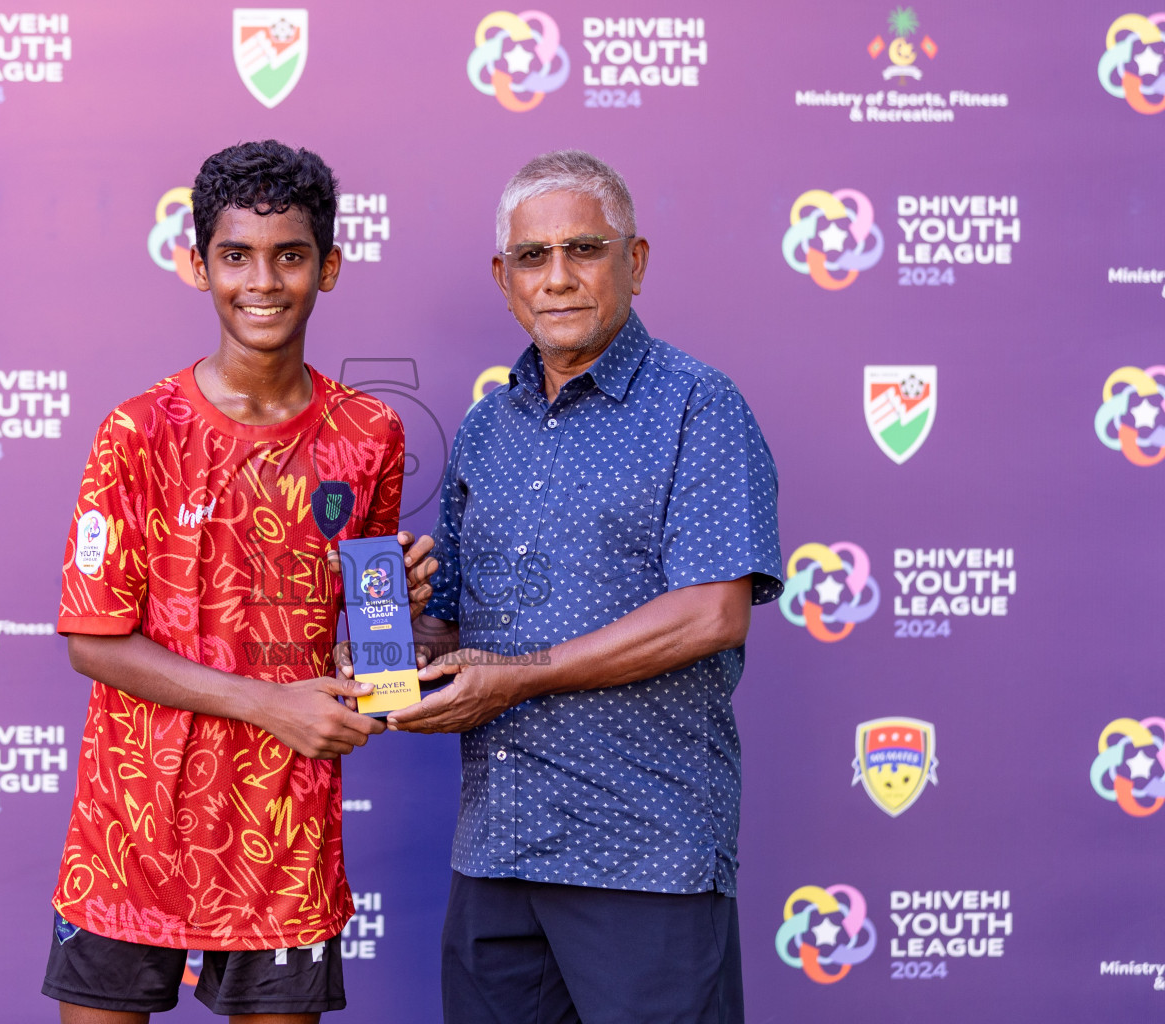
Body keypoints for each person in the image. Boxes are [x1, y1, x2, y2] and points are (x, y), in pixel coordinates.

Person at [42, 140, 429, 1024]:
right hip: (131, 829)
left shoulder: (370, 434)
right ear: (198, 265)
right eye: (236, 256)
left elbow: (370, 662)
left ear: (329, 268)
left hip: (280, 832)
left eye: (290, 255)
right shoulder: (137, 431)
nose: (264, 280)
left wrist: (393, 623)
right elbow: (92, 642)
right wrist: (269, 703)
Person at [397, 151, 783, 1024]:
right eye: (533, 258)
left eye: (585, 249)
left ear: (635, 263)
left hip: (641, 854)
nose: (559, 277)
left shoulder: (699, 405)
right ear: (504, 280)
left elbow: (712, 614)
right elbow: (457, 631)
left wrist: (521, 677)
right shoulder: (487, 428)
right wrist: (393, 644)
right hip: (496, 854)